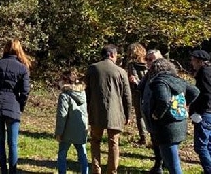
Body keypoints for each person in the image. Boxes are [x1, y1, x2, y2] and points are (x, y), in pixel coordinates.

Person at [0, 38, 31, 174]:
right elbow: (26, 90)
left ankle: (3, 170)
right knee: (13, 143)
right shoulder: (22, 68)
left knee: (0, 140)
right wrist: (20, 104)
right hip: (13, 105)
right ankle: (13, 171)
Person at [85, 44, 132, 174]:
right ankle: (112, 171)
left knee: (95, 141)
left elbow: (87, 91)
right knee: (113, 143)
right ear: (112, 55)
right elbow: (127, 95)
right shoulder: (121, 71)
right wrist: (128, 114)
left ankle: (96, 169)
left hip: (96, 111)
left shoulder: (92, 69)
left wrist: (88, 108)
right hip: (115, 112)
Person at [148, 58, 200, 174]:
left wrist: (157, 114)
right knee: (172, 158)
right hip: (180, 123)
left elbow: (163, 100)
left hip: (166, 126)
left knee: (173, 165)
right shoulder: (178, 80)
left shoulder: (159, 82)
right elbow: (195, 91)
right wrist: (183, 104)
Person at [188, 49, 211, 174]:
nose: (191, 63)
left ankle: (210, 171)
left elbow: (207, 95)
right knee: (209, 145)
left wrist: (199, 112)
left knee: (201, 146)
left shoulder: (205, 73)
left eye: (193, 60)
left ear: (200, 61)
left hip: (205, 114)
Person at [55, 69, 89, 174]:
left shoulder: (64, 95)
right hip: (81, 128)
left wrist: (59, 133)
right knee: (82, 154)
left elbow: (62, 115)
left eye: (61, 79)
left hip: (67, 130)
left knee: (62, 154)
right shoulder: (82, 93)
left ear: (65, 80)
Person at [139, 49, 165, 174]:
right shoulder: (149, 73)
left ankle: (161, 164)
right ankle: (159, 162)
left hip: (160, 113)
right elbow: (141, 88)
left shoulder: (165, 74)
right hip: (149, 112)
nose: (148, 62)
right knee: (155, 139)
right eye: (147, 59)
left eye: (151, 59)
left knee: (162, 140)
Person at [126, 42, 148, 145]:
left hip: (137, 91)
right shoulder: (148, 62)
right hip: (149, 90)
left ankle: (143, 137)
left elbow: (133, 78)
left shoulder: (131, 64)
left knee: (140, 115)